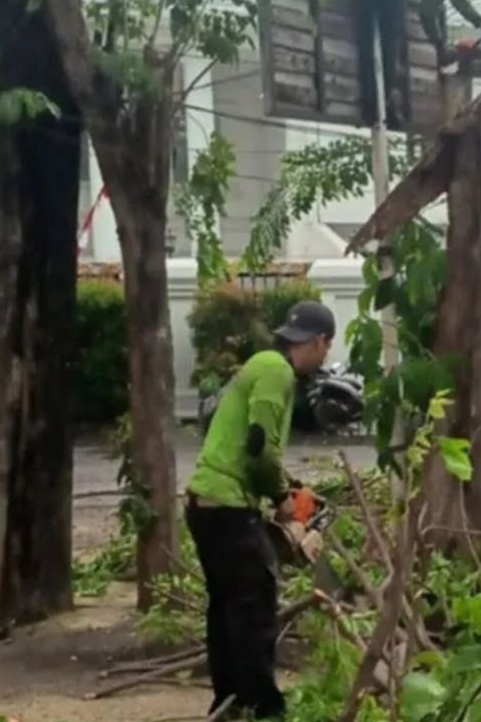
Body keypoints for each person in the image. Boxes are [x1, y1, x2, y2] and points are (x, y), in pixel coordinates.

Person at [185, 299, 335, 719]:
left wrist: (288, 486)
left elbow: (253, 446)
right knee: (256, 601)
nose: (324, 356)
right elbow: (258, 448)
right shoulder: (277, 371)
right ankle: (264, 707)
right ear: (320, 341)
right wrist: (283, 499)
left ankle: (229, 702)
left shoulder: (261, 363)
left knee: (227, 605)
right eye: (326, 348)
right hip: (228, 504)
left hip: (206, 501)